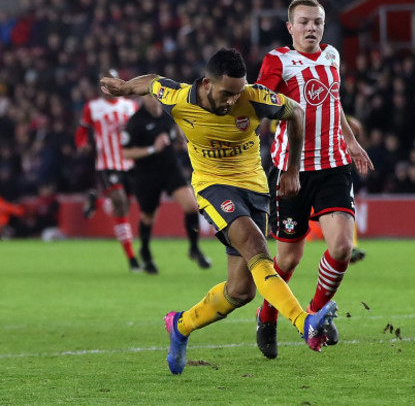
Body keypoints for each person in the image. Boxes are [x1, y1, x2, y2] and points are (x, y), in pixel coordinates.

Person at [99, 48, 338, 375]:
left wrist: (293, 170)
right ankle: (305, 323)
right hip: (213, 187)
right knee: (258, 249)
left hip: (254, 187)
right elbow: (152, 82)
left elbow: (296, 112)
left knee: (241, 291)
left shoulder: (253, 97)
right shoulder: (180, 98)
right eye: (227, 92)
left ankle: (181, 325)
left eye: (238, 91)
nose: (232, 99)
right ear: (207, 84)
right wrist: (126, 87)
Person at [254, 0, 374, 359]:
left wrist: (351, 142)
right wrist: (261, 116)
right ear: (290, 27)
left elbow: (333, 101)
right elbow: (261, 98)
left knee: (341, 247)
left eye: (317, 22)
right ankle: (267, 315)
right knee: (288, 259)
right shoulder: (279, 61)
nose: (312, 28)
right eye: (304, 22)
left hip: (333, 165)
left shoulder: (332, 56)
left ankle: (317, 312)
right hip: (291, 171)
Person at [121, 95, 211, 274]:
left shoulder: (168, 114)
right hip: (147, 174)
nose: (154, 99)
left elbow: (177, 134)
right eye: (150, 96)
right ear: (143, 99)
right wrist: (153, 148)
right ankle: (145, 252)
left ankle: (194, 248)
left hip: (171, 169)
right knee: (148, 217)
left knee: (192, 207)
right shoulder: (136, 122)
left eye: (156, 95)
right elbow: (125, 153)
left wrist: (183, 140)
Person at [75, 69, 143, 273]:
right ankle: (132, 259)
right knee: (120, 203)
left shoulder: (130, 106)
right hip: (107, 162)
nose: (109, 88)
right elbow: (82, 130)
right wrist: (82, 144)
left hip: (130, 163)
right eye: (105, 84)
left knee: (124, 204)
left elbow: (138, 129)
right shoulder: (93, 107)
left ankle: (97, 200)